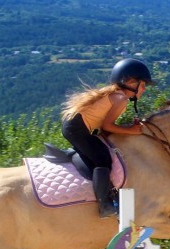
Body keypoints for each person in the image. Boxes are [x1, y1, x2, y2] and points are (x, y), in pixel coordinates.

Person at [61, 58, 154, 218]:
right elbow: (107, 126)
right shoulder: (121, 99)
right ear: (131, 82)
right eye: (143, 85)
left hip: (74, 126)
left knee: (99, 151)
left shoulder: (116, 94)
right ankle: (104, 205)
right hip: (77, 129)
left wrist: (127, 129)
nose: (144, 90)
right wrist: (132, 131)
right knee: (103, 159)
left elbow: (104, 125)